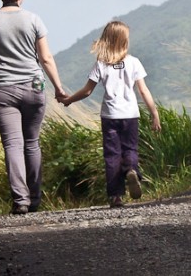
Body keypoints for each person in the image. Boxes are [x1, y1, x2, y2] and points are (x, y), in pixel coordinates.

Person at [0, 0, 67, 215]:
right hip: (33, 87)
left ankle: (20, 201)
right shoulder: (34, 20)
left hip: (3, 89)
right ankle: (35, 199)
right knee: (31, 143)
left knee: (13, 144)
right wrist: (58, 88)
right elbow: (45, 58)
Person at [61, 20, 161, 208]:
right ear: (124, 41)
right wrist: (154, 113)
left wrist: (69, 100)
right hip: (130, 115)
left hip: (110, 116)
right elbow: (144, 91)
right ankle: (131, 169)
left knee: (112, 155)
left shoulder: (101, 64)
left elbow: (87, 90)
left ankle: (115, 196)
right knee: (130, 149)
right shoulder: (134, 63)